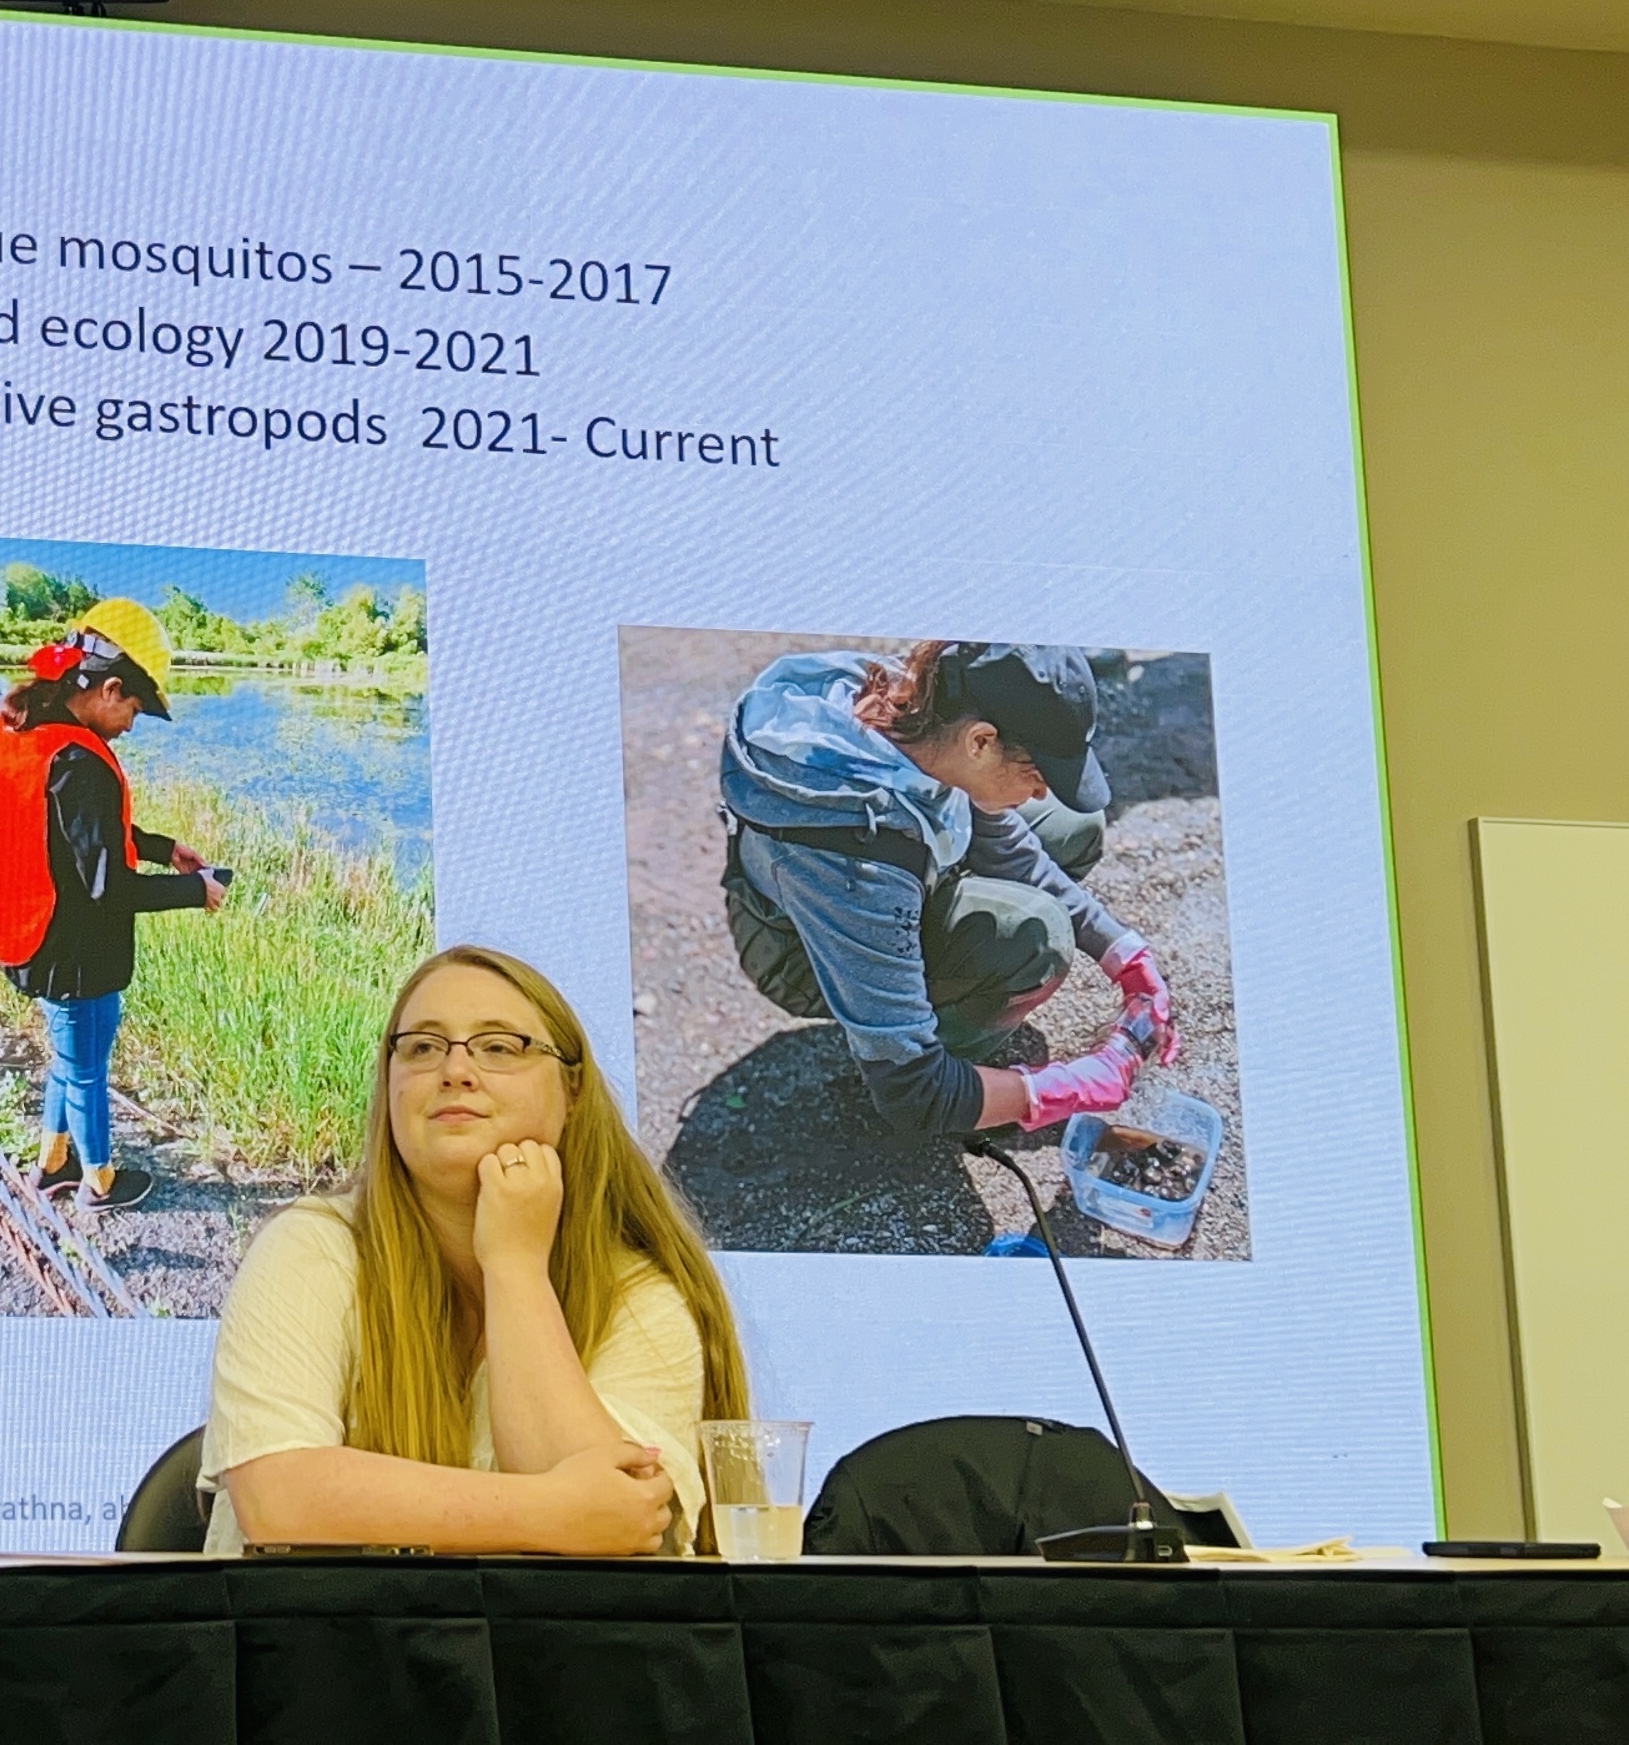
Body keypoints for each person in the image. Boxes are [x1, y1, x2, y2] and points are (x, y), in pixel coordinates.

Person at [200, 946, 750, 1556]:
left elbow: (612, 1545)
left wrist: (515, 1267)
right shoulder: (311, 1246)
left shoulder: (640, 1296)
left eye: (499, 1047)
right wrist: (550, 1512)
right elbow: (280, 1502)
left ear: (572, 1091)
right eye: (423, 1047)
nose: (455, 1070)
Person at [719, 641, 1183, 1138]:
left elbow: (1007, 850)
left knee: (1074, 825)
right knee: (1035, 937)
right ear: (981, 742)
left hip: (889, 871)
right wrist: (1060, 1088)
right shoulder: (860, 862)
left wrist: (1124, 954)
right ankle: (945, 1057)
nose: (1042, 790)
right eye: (1036, 772)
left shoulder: (931, 715)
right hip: (803, 952)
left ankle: (947, 1006)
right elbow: (911, 1092)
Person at [0, 597, 224, 1212]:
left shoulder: (31, 739)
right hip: (73, 951)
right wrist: (197, 891)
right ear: (110, 689)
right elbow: (111, 884)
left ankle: (52, 1163)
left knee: (71, 1056)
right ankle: (99, 1183)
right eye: (134, 708)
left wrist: (166, 850)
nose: (132, 725)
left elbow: (83, 838)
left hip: (33, 932)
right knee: (85, 1070)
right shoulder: (80, 762)